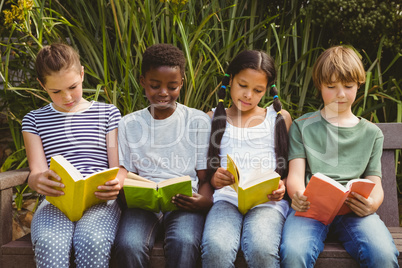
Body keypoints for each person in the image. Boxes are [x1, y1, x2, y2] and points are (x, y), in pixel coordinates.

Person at [280, 46, 399, 267]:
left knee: (383, 254)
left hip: (353, 211)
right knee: (294, 253)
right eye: (331, 87)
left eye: (348, 86)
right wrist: (297, 194)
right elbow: (296, 174)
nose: (341, 94)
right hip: (311, 209)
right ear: (320, 85)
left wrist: (372, 204)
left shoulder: (372, 133)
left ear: (358, 85)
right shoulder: (302, 126)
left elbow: (375, 182)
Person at [22, 43, 126, 267]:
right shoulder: (34, 120)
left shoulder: (108, 113)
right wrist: (38, 181)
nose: (67, 97)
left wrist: (117, 182)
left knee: (93, 241)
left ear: (82, 74)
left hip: (99, 200)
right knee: (50, 243)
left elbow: (118, 167)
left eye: (73, 86)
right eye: (56, 91)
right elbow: (37, 171)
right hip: (56, 202)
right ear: (42, 85)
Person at [112, 43, 213, 268]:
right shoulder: (129, 123)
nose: (164, 93)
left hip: (184, 203)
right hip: (144, 205)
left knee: (185, 241)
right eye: (155, 85)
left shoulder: (197, 121)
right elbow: (126, 171)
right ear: (143, 82)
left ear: (182, 83)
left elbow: (204, 177)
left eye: (172, 86)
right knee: (128, 244)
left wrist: (204, 201)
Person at [201, 50, 292, 268]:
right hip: (227, 199)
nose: (248, 95)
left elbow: (289, 171)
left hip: (267, 201)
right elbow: (207, 173)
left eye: (257, 90)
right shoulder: (212, 118)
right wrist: (215, 180)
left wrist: (283, 186)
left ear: (267, 91)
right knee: (216, 247)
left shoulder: (279, 118)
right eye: (242, 85)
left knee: (262, 247)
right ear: (230, 80)